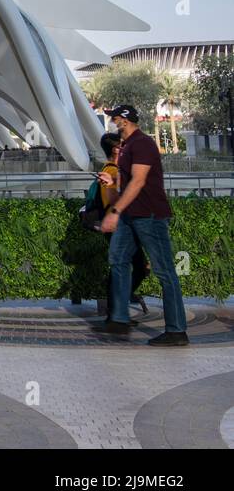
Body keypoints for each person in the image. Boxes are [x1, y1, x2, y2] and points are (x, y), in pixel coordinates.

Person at [98, 105, 187, 345]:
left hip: (149, 215)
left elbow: (138, 182)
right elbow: (126, 183)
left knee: (164, 270)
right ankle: (119, 319)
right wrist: (111, 181)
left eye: (115, 118)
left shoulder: (143, 144)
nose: (113, 122)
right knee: (117, 259)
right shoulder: (126, 147)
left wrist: (114, 212)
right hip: (130, 215)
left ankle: (177, 330)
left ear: (125, 121)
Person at [94, 132, 149, 321]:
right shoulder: (111, 172)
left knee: (129, 267)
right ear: (116, 149)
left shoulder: (114, 170)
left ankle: (117, 307)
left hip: (120, 225)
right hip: (118, 225)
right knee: (134, 267)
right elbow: (113, 201)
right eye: (123, 145)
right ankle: (116, 308)